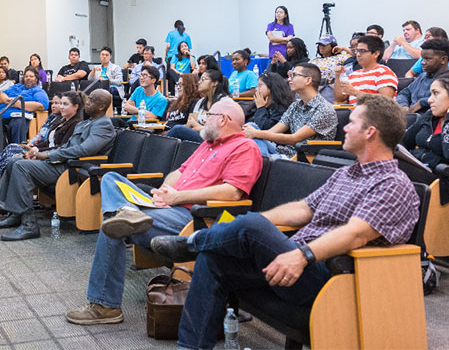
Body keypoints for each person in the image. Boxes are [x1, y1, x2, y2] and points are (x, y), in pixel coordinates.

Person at [151, 95, 419, 350]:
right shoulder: (347, 174)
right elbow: (302, 209)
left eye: (352, 122)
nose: (344, 127)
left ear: (370, 132)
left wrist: (301, 256)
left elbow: (355, 234)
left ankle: (190, 244)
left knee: (251, 226)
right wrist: (255, 230)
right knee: (215, 258)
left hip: (325, 274)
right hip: (293, 258)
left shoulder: (392, 184)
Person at [64, 98, 263, 325]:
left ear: (224, 119)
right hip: (169, 206)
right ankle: (128, 212)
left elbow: (232, 193)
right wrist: (162, 191)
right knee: (111, 179)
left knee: (114, 226)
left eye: (209, 116)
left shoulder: (245, 148)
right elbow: (179, 172)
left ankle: (105, 306)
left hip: (196, 218)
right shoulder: (207, 145)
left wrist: (178, 197)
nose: (204, 120)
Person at [0, 90, 117, 241]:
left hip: (74, 168)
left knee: (22, 166)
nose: (86, 102)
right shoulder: (87, 122)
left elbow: (83, 150)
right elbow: (66, 146)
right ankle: (16, 213)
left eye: (91, 101)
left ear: (101, 106)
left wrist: (48, 155)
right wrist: (40, 153)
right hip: (63, 163)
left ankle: (29, 225)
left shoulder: (104, 126)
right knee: (14, 161)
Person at [0, 92, 80, 187]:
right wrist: (32, 145)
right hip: (39, 147)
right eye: (55, 103)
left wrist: (36, 150)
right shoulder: (53, 119)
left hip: (47, 154)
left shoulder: (70, 123)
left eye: (61, 104)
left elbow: (58, 146)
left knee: (12, 155)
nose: (57, 106)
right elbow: (41, 136)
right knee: (11, 149)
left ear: (75, 107)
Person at [244, 63, 337, 158]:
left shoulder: (324, 109)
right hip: (282, 152)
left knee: (254, 153)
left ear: (308, 80)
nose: (289, 79)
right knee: (250, 129)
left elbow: (295, 139)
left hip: (303, 158)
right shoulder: (295, 106)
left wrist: (256, 133)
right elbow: (272, 132)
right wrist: (253, 133)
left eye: (294, 75)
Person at [0, 67, 49, 157]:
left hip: (19, 116)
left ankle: (15, 154)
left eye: (31, 76)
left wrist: (18, 104)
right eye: (26, 76)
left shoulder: (38, 91)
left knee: (18, 123)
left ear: (36, 78)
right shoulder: (17, 86)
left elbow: (42, 105)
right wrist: (8, 100)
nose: (28, 78)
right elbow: (2, 96)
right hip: (2, 114)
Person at [333, 35, 398, 103]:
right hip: (354, 112)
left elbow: (386, 101)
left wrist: (355, 92)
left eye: (362, 51)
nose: (358, 54)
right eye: (357, 51)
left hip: (377, 113)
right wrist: (338, 75)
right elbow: (339, 99)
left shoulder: (384, 72)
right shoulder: (353, 75)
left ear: (376, 54)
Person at [167, 69, 226, 143]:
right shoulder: (200, 102)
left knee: (177, 129)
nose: (199, 82)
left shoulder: (224, 103)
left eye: (203, 79)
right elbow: (190, 123)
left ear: (215, 83)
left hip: (215, 140)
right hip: (201, 136)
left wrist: (198, 127)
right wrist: (199, 127)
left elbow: (221, 130)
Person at [397, 39, 449, 113]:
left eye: (428, 59)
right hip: (410, 117)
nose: (423, 62)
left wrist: (421, 103)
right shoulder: (422, 76)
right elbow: (404, 93)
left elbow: (445, 99)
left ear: (443, 59)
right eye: (422, 59)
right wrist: (404, 106)